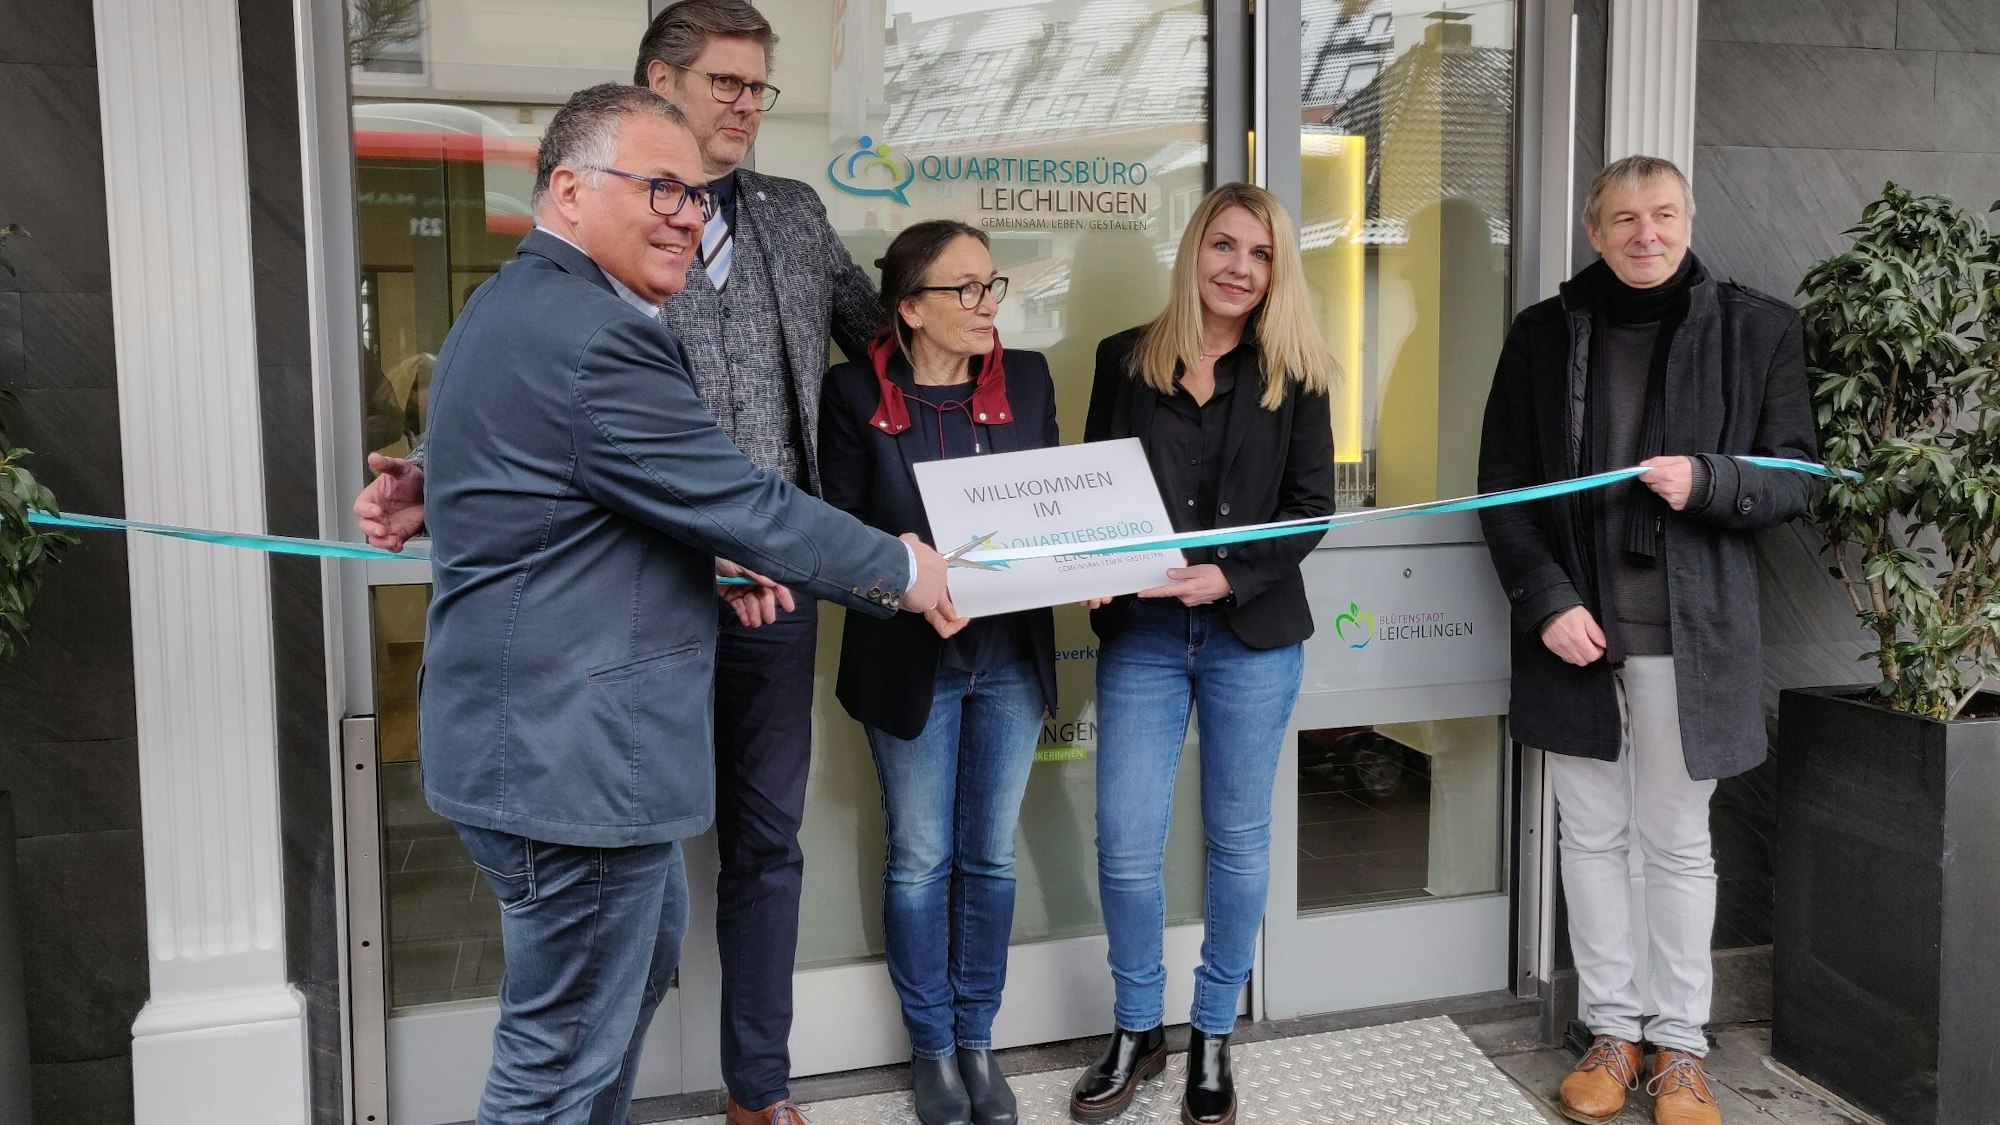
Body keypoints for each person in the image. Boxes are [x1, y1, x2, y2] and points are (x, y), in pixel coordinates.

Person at [352, 5, 887, 1120]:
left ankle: (758, 1085)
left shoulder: (775, 221)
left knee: (682, 918)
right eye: (662, 186)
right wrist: (909, 571)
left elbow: (879, 344)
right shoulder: (590, 302)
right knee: (571, 1025)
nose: (685, 213)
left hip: (735, 603)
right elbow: (608, 432)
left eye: (760, 89)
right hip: (594, 702)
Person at [1476, 155, 1815, 1125]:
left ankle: (1679, 1049)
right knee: (1587, 837)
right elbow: (1500, 487)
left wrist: (1709, 482)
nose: (1643, 234)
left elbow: (1797, 476)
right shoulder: (1542, 335)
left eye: (1661, 214)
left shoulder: (1756, 329)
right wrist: (1544, 600)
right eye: (1622, 219)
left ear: (1687, 216)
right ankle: (1610, 1033)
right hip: (1574, 630)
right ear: (1592, 231)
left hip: (1693, 636)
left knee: (1673, 844)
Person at [1067, 183, 1336, 1125]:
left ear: (1275, 271)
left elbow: (1313, 509)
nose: (1237, 267)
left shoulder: (1296, 369)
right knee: (1127, 842)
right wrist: (1094, 561)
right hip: (1142, 635)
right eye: (1223, 245)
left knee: (1238, 839)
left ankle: (1213, 1029)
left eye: (1259, 254)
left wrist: (1232, 574)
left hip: (1249, 636)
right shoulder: (1123, 359)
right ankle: (1139, 1025)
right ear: (1193, 251)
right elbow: (1094, 482)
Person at [817, 221, 1059, 1125]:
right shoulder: (851, 393)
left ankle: (977, 1040)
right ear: (909, 308)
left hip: (1009, 664)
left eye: (991, 284)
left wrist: (1093, 565)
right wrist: (908, 574)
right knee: (921, 860)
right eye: (964, 289)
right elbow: (836, 527)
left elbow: (1056, 508)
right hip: (909, 663)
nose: (987, 302)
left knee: (990, 858)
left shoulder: (1028, 379)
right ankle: (930, 1050)